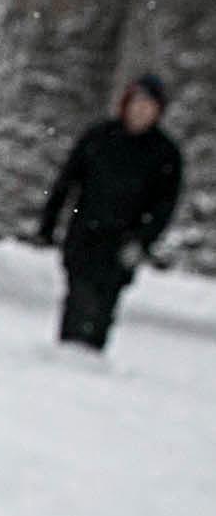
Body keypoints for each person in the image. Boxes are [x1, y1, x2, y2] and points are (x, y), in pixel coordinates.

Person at [36, 74, 184, 351]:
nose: (141, 110)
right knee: (77, 298)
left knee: (103, 305)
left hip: (123, 242)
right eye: (137, 102)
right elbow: (67, 182)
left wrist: (143, 239)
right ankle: (65, 355)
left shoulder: (165, 154)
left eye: (148, 105)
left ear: (158, 111)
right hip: (85, 233)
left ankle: (92, 359)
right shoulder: (99, 137)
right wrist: (49, 222)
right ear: (126, 104)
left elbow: (165, 205)